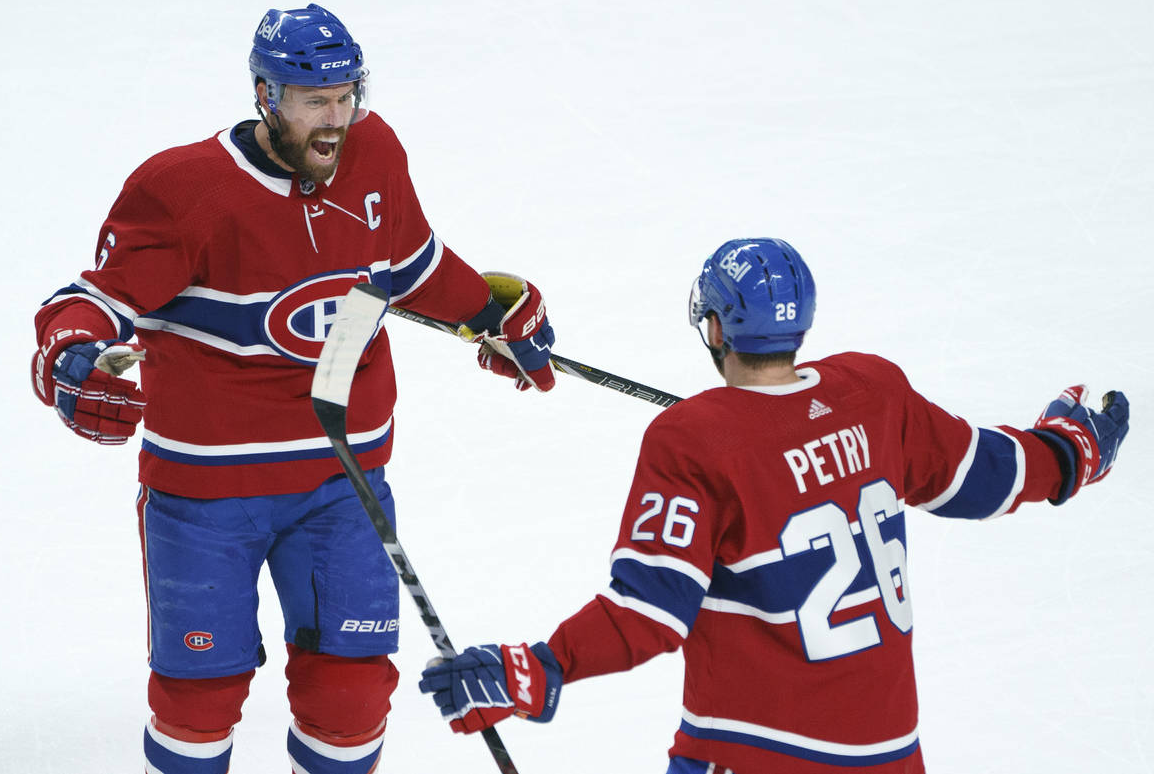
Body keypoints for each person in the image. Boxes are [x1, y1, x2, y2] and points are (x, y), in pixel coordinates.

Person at [30, 3, 556, 774]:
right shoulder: (183, 191)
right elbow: (88, 304)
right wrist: (73, 360)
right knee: (197, 700)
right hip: (207, 497)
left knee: (351, 697)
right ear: (264, 94)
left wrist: (489, 312)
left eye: (348, 96)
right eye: (316, 101)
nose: (337, 119)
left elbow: (411, 269)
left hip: (342, 482)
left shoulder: (374, 154)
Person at [418, 237, 1130, 773]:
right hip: (892, 753)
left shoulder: (693, 440)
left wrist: (539, 666)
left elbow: (650, 611)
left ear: (718, 330)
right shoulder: (873, 393)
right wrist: (1070, 452)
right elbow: (983, 473)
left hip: (755, 752)